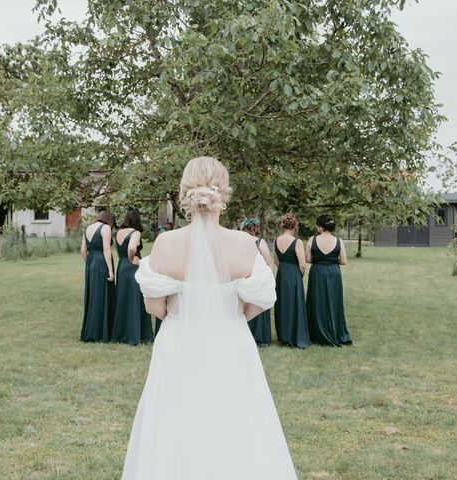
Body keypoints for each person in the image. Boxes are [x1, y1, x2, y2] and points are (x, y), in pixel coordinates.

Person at [122, 157, 297, 479]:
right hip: (230, 341)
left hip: (178, 343)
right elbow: (257, 304)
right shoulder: (245, 244)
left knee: (174, 426)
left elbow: (154, 308)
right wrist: (226, 315)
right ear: (224, 192)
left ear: (184, 193)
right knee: (235, 423)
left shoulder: (165, 243)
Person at [305, 214, 352, 346]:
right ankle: (334, 330)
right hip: (333, 273)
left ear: (320, 226)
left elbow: (308, 259)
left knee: (316, 300)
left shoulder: (312, 240)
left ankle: (315, 332)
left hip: (317, 272)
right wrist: (331, 260)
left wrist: (320, 260)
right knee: (333, 301)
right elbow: (343, 261)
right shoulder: (339, 241)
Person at [111, 208, 153, 345]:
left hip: (121, 267)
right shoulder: (135, 233)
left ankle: (120, 334)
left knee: (123, 299)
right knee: (136, 299)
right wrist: (132, 257)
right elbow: (131, 248)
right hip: (133, 266)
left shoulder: (118, 232)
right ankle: (136, 334)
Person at [274, 213, 310, 348]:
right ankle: (295, 335)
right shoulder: (297, 242)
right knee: (294, 304)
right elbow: (302, 265)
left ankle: (284, 336)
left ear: (283, 225)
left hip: (282, 273)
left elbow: (276, 260)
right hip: (293, 274)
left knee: (283, 304)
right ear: (295, 226)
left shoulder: (276, 240)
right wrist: (298, 276)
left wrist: (283, 269)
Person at [80, 210, 116, 342]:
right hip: (102, 263)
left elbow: (83, 250)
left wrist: (89, 264)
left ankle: (91, 331)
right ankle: (102, 332)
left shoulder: (88, 228)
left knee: (93, 297)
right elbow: (106, 249)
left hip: (91, 264)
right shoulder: (105, 227)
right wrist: (111, 270)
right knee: (102, 296)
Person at [241, 216, 273, 346]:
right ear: (256, 228)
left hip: (244, 277)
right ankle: (260, 336)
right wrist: (269, 278)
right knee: (258, 304)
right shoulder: (260, 242)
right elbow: (268, 261)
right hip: (258, 278)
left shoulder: (240, 242)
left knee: (245, 306)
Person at [154, 221, 175, 337]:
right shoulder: (174, 242)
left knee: (163, 300)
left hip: (162, 274)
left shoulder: (160, 242)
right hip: (172, 273)